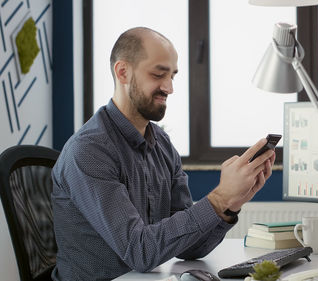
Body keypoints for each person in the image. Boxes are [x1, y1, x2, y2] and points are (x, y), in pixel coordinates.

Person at [51, 27, 275, 281]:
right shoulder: (89, 151)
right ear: (123, 72)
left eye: (172, 76)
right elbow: (140, 252)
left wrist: (230, 204)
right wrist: (219, 198)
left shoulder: (162, 145)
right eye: (158, 74)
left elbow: (190, 247)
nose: (169, 87)